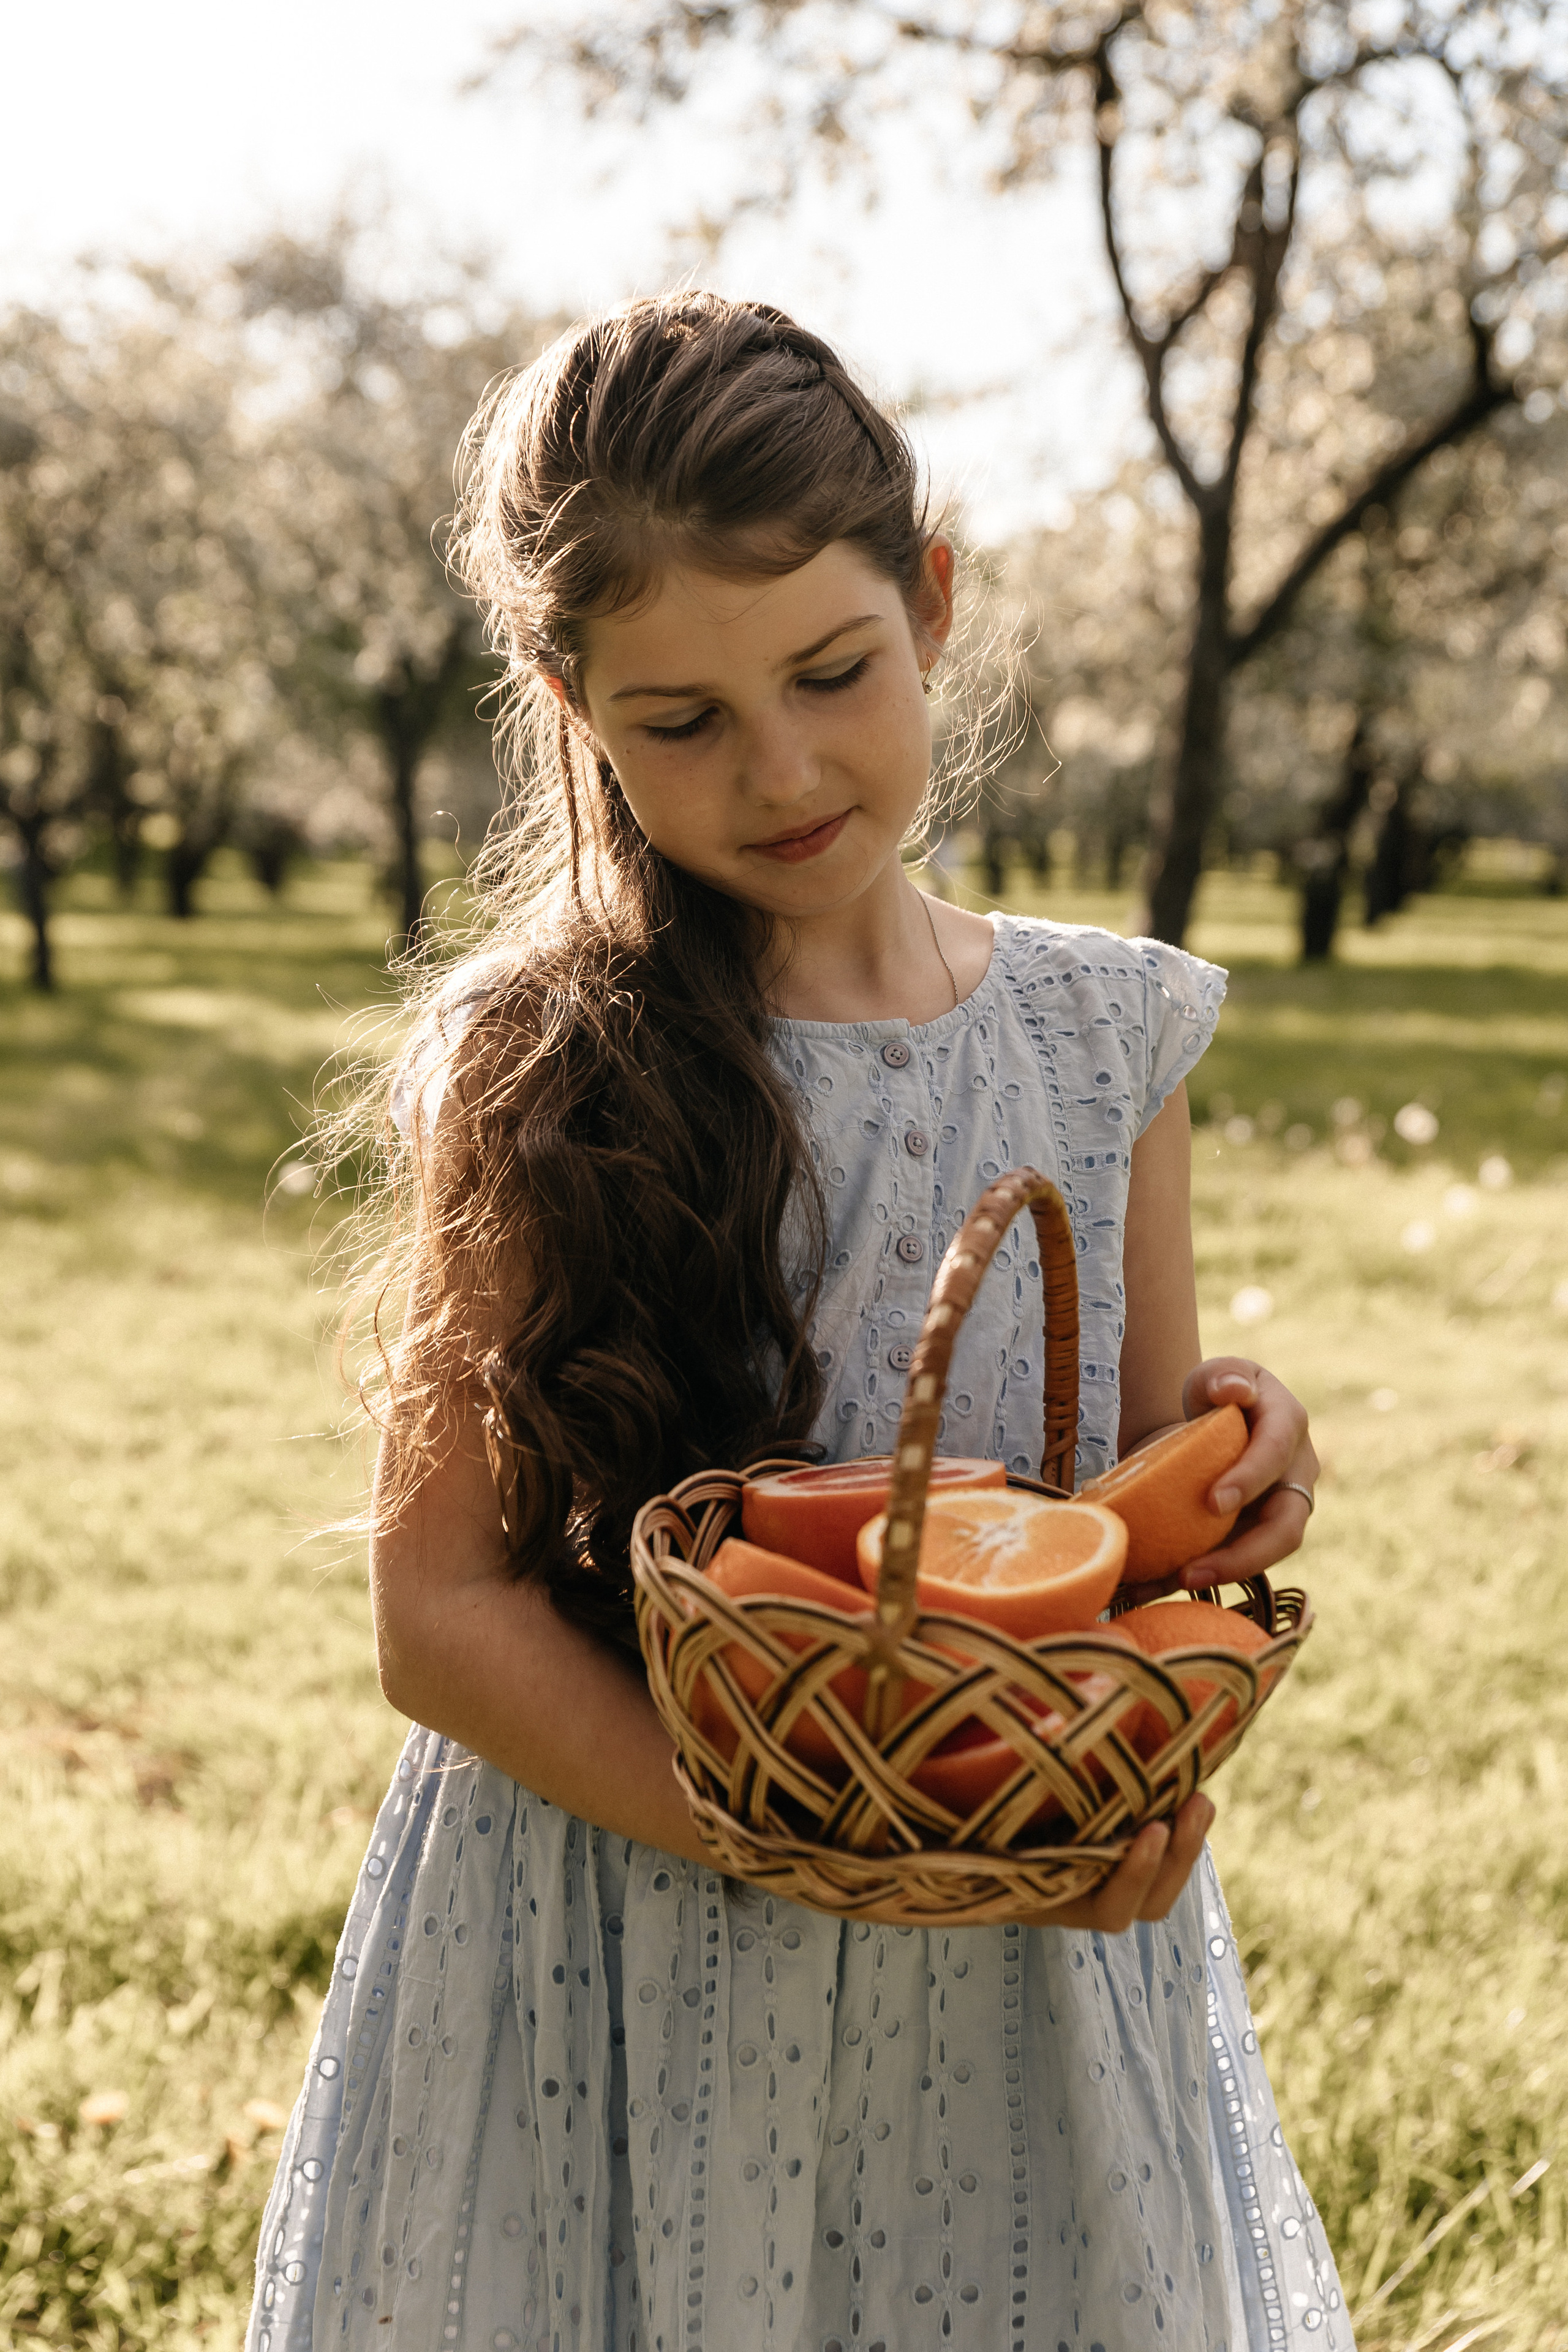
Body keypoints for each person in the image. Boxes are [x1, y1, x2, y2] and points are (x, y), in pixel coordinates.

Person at [249, 293, 1349, 2351]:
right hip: (619, 1923)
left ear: (929, 601)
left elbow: (1111, 1535)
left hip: (1000, 1972)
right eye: (679, 720)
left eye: (834, 673)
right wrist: (801, 1851)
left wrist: (1240, 1457)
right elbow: (439, 1615)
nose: (779, 770)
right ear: (572, 706)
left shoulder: (1109, 1038)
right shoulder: (540, 1061)